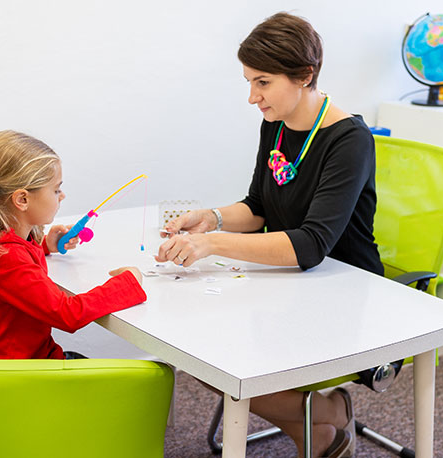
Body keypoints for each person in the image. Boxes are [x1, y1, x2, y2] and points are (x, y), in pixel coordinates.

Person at [156, 12, 382, 458]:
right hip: (294, 284)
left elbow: (312, 245)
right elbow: (259, 207)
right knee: (197, 350)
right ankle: (322, 421)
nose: (252, 97)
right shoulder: (275, 124)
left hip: (344, 290)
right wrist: (211, 219)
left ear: (304, 75)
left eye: (262, 83)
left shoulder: (349, 139)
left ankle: (328, 416)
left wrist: (212, 244)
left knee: (219, 360)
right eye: (249, 82)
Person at [0, 130, 146, 361]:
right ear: (22, 200)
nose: (62, 195)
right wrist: (127, 283)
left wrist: (47, 245)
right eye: (56, 190)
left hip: (25, 361)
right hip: (14, 376)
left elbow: (19, 270)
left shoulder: (4, 243)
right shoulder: (8, 257)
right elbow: (68, 314)